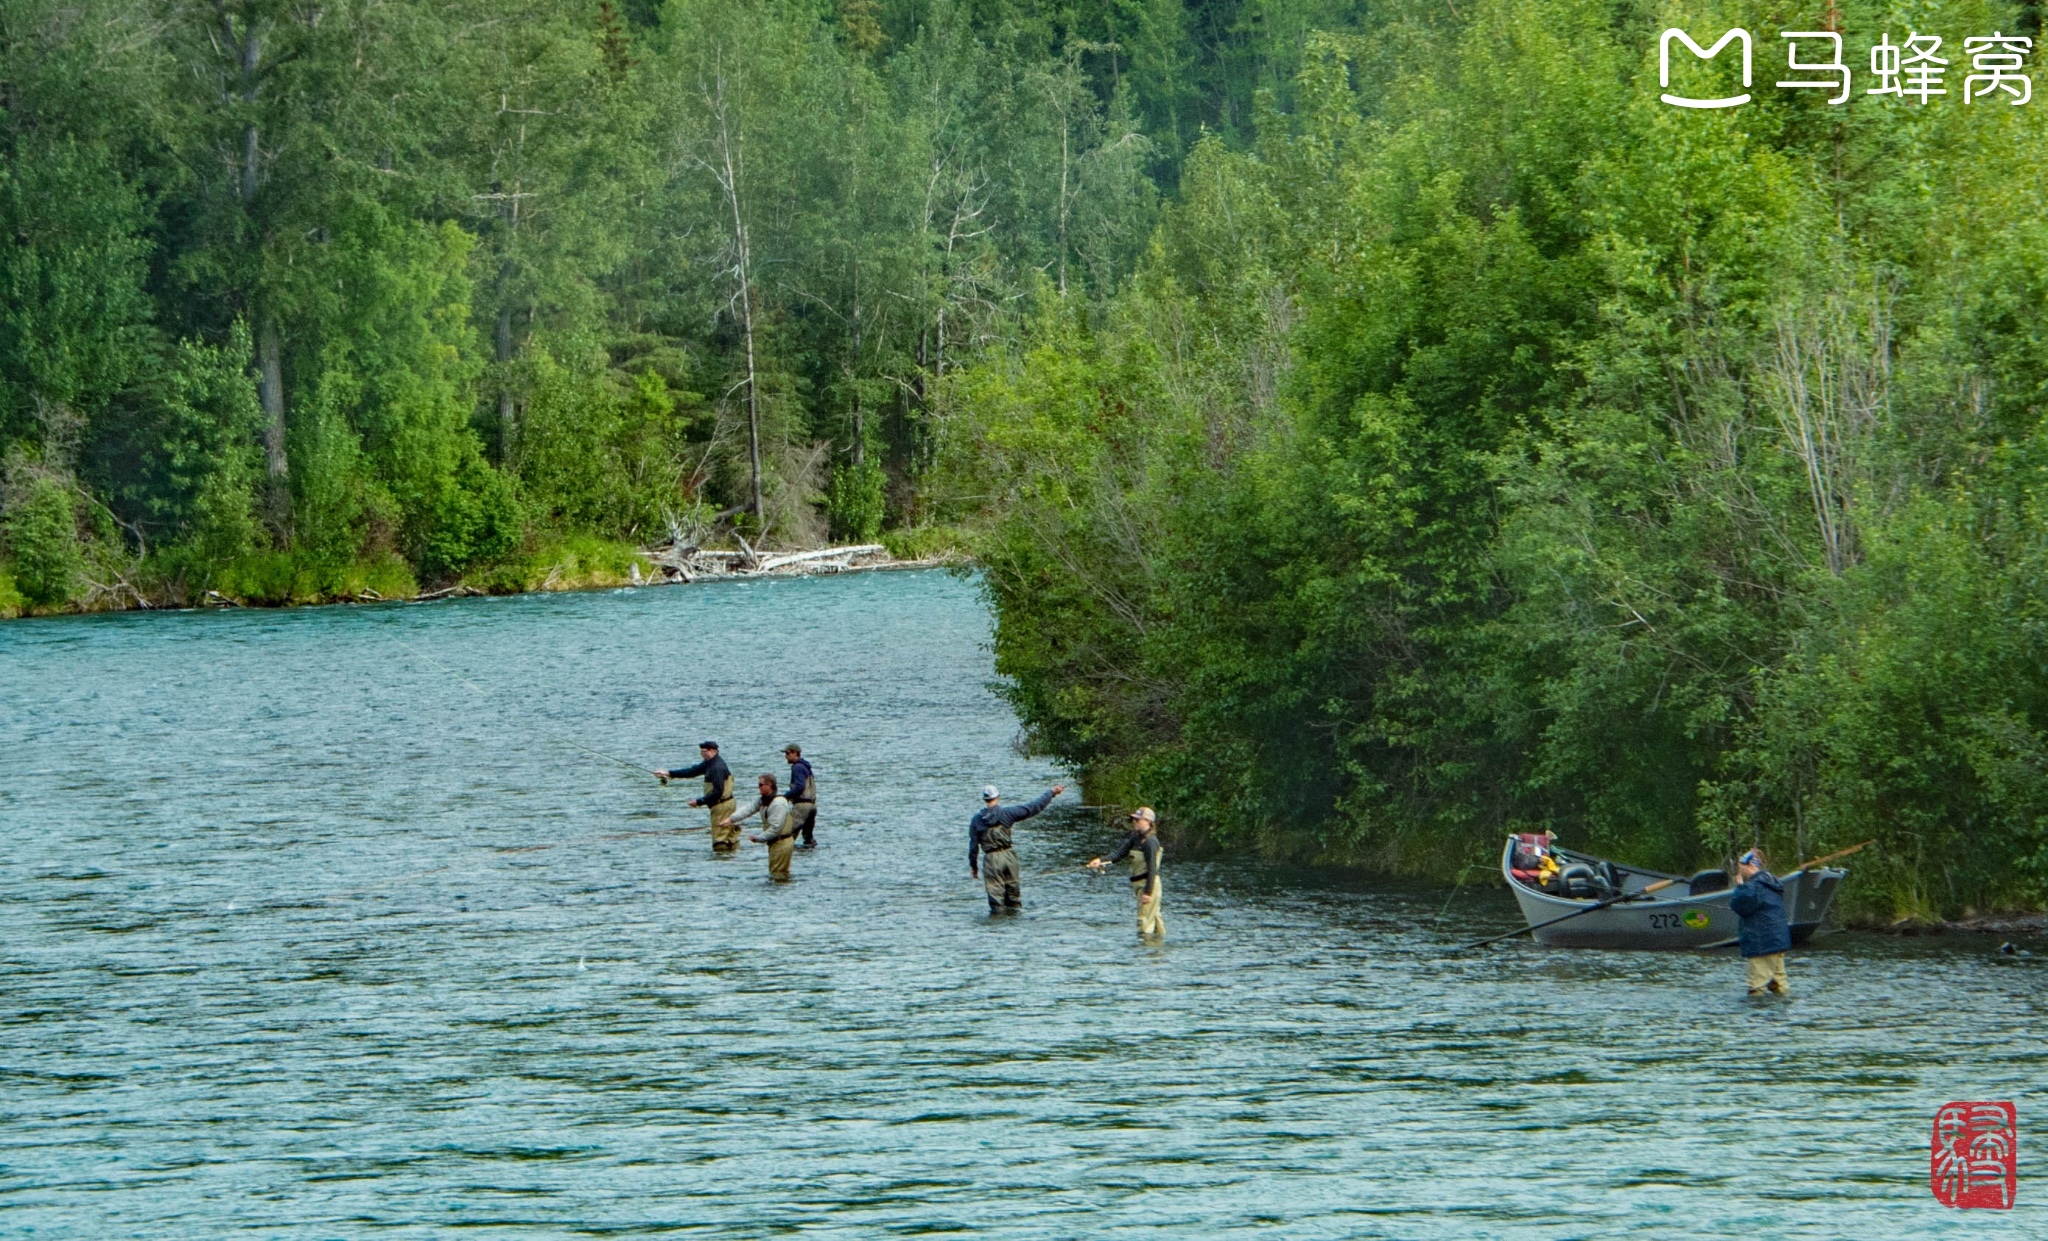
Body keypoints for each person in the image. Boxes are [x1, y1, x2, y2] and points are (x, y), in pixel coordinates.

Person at [968, 782, 1066, 912]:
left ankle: (996, 927)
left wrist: (974, 867)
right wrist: (1051, 792)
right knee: (1014, 897)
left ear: (984, 800)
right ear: (997, 797)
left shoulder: (977, 820)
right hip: (1009, 856)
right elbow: (1033, 807)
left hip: (991, 859)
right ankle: (1016, 925)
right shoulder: (1007, 814)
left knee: (996, 900)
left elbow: (973, 847)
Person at [1088, 806, 1165, 939]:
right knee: (1155, 921)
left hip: (1149, 885)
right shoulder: (1135, 838)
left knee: (1144, 923)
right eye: (1133, 820)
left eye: (1137, 820)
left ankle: (1144, 953)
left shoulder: (1150, 842)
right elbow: (1119, 854)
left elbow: (1152, 868)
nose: (1134, 822)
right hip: (1140, 885)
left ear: (1148, 822)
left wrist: (1147, 892)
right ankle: (1157, 951)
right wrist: (1100, 860)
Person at [1728, 847, 1792, 996]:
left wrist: (1740, 886)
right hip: (1778, 942)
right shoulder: (1772, 882)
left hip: (1762, 944)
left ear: (1749, 866)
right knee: (1779, 984)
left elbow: (1738, 904)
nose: (1740, 871)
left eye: (1741, 868)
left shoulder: (1753, 887)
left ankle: (1756, 1016)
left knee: (1757, 987)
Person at [654, 741, 737, 852]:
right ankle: (732, 857)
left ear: (714, 751)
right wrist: (668, 773)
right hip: (723, 804)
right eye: (701, 752)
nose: (702, 754)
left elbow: (718, 792)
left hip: (722, 806)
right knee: (729, 836)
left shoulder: (717, 767)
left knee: (720, 840)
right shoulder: (709, 763)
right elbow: (692, 771)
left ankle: (721, 860)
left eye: (704, 752)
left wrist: (699, 802)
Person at [721, 774, 799, 881]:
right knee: (775, 873)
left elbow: (776, 828)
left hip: (782, 842)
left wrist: (758, 838)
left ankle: (782, 893)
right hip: (774, 843)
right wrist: (731, 819)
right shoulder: (763, 800)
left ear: (769, 785)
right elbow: (749, 809)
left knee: (778, 874)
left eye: (761, 785)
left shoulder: (778, 803)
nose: (759, 787)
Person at [785, 744, 817, 849]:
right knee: (808, 839)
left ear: (795, 753)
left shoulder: (797, 767)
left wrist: (786, 796)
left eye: (788, 753)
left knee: (786, 833)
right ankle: (809, 860)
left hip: (802, 806)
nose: (786, 756)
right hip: (812, 806)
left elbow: (799, 786)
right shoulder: (806, 766)